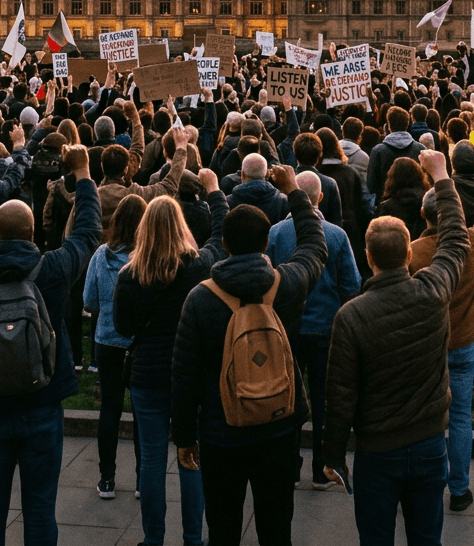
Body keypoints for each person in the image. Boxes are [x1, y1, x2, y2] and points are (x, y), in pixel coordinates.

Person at [0, 145, 101, 545]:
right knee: (41, 511)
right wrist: (82, 173)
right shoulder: (53, 270)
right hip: (42, 405)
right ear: (34, 234)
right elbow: (86, 231)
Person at [171, 165, 328, 545]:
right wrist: (294, 191)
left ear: (223, 243)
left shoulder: (201, 298)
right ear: (266, 245)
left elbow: (184, 373)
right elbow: (313, 245)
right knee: (276, 526)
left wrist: (184, 436)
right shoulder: (287, 285)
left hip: (221, 428)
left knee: (223, 527)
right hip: (278, 424)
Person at [322, 149, 469, 546]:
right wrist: (442, 177)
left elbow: (339, 394)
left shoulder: (351, 316)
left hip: (377, 449)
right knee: (426, 537)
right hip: (427, 443)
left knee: (375, 538)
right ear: (409, 254)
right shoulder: (434, 290)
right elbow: (455, 238)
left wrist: (332, 455)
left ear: (368, 258)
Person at [114, 127, 224, 546]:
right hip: (190, 373)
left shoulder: (131, 275)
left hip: (147, 373)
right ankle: (193, 537)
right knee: (189, 454)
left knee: (152, 462)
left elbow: (123, 328)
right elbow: (220, 237)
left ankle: (153, 538)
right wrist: (214, 192)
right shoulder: (198, 267)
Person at [409, 151, 474, 512]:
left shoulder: (412, 252)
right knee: (461, 416)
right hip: (463, 340)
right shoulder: (472, 243)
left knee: (422, 418)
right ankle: (459, 489)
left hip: (425, 346)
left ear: (424, 215)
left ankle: (422, 484)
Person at [264, 169, 358, 492]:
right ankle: (322, 468)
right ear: (320, 198)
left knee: (288, 399)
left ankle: (289, 466)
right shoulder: (335, 235)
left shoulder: (275, 233)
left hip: (287, 328)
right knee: (322, 400)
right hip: (326, 329)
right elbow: (352, 285)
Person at [82, 193, 145, 500]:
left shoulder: (100, 257)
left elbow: (89, 301)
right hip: (139, 341)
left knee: (110, 407)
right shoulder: (148, 258)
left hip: (107, 338)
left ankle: (107, 477)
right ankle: (141, 479)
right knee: (141, 410)